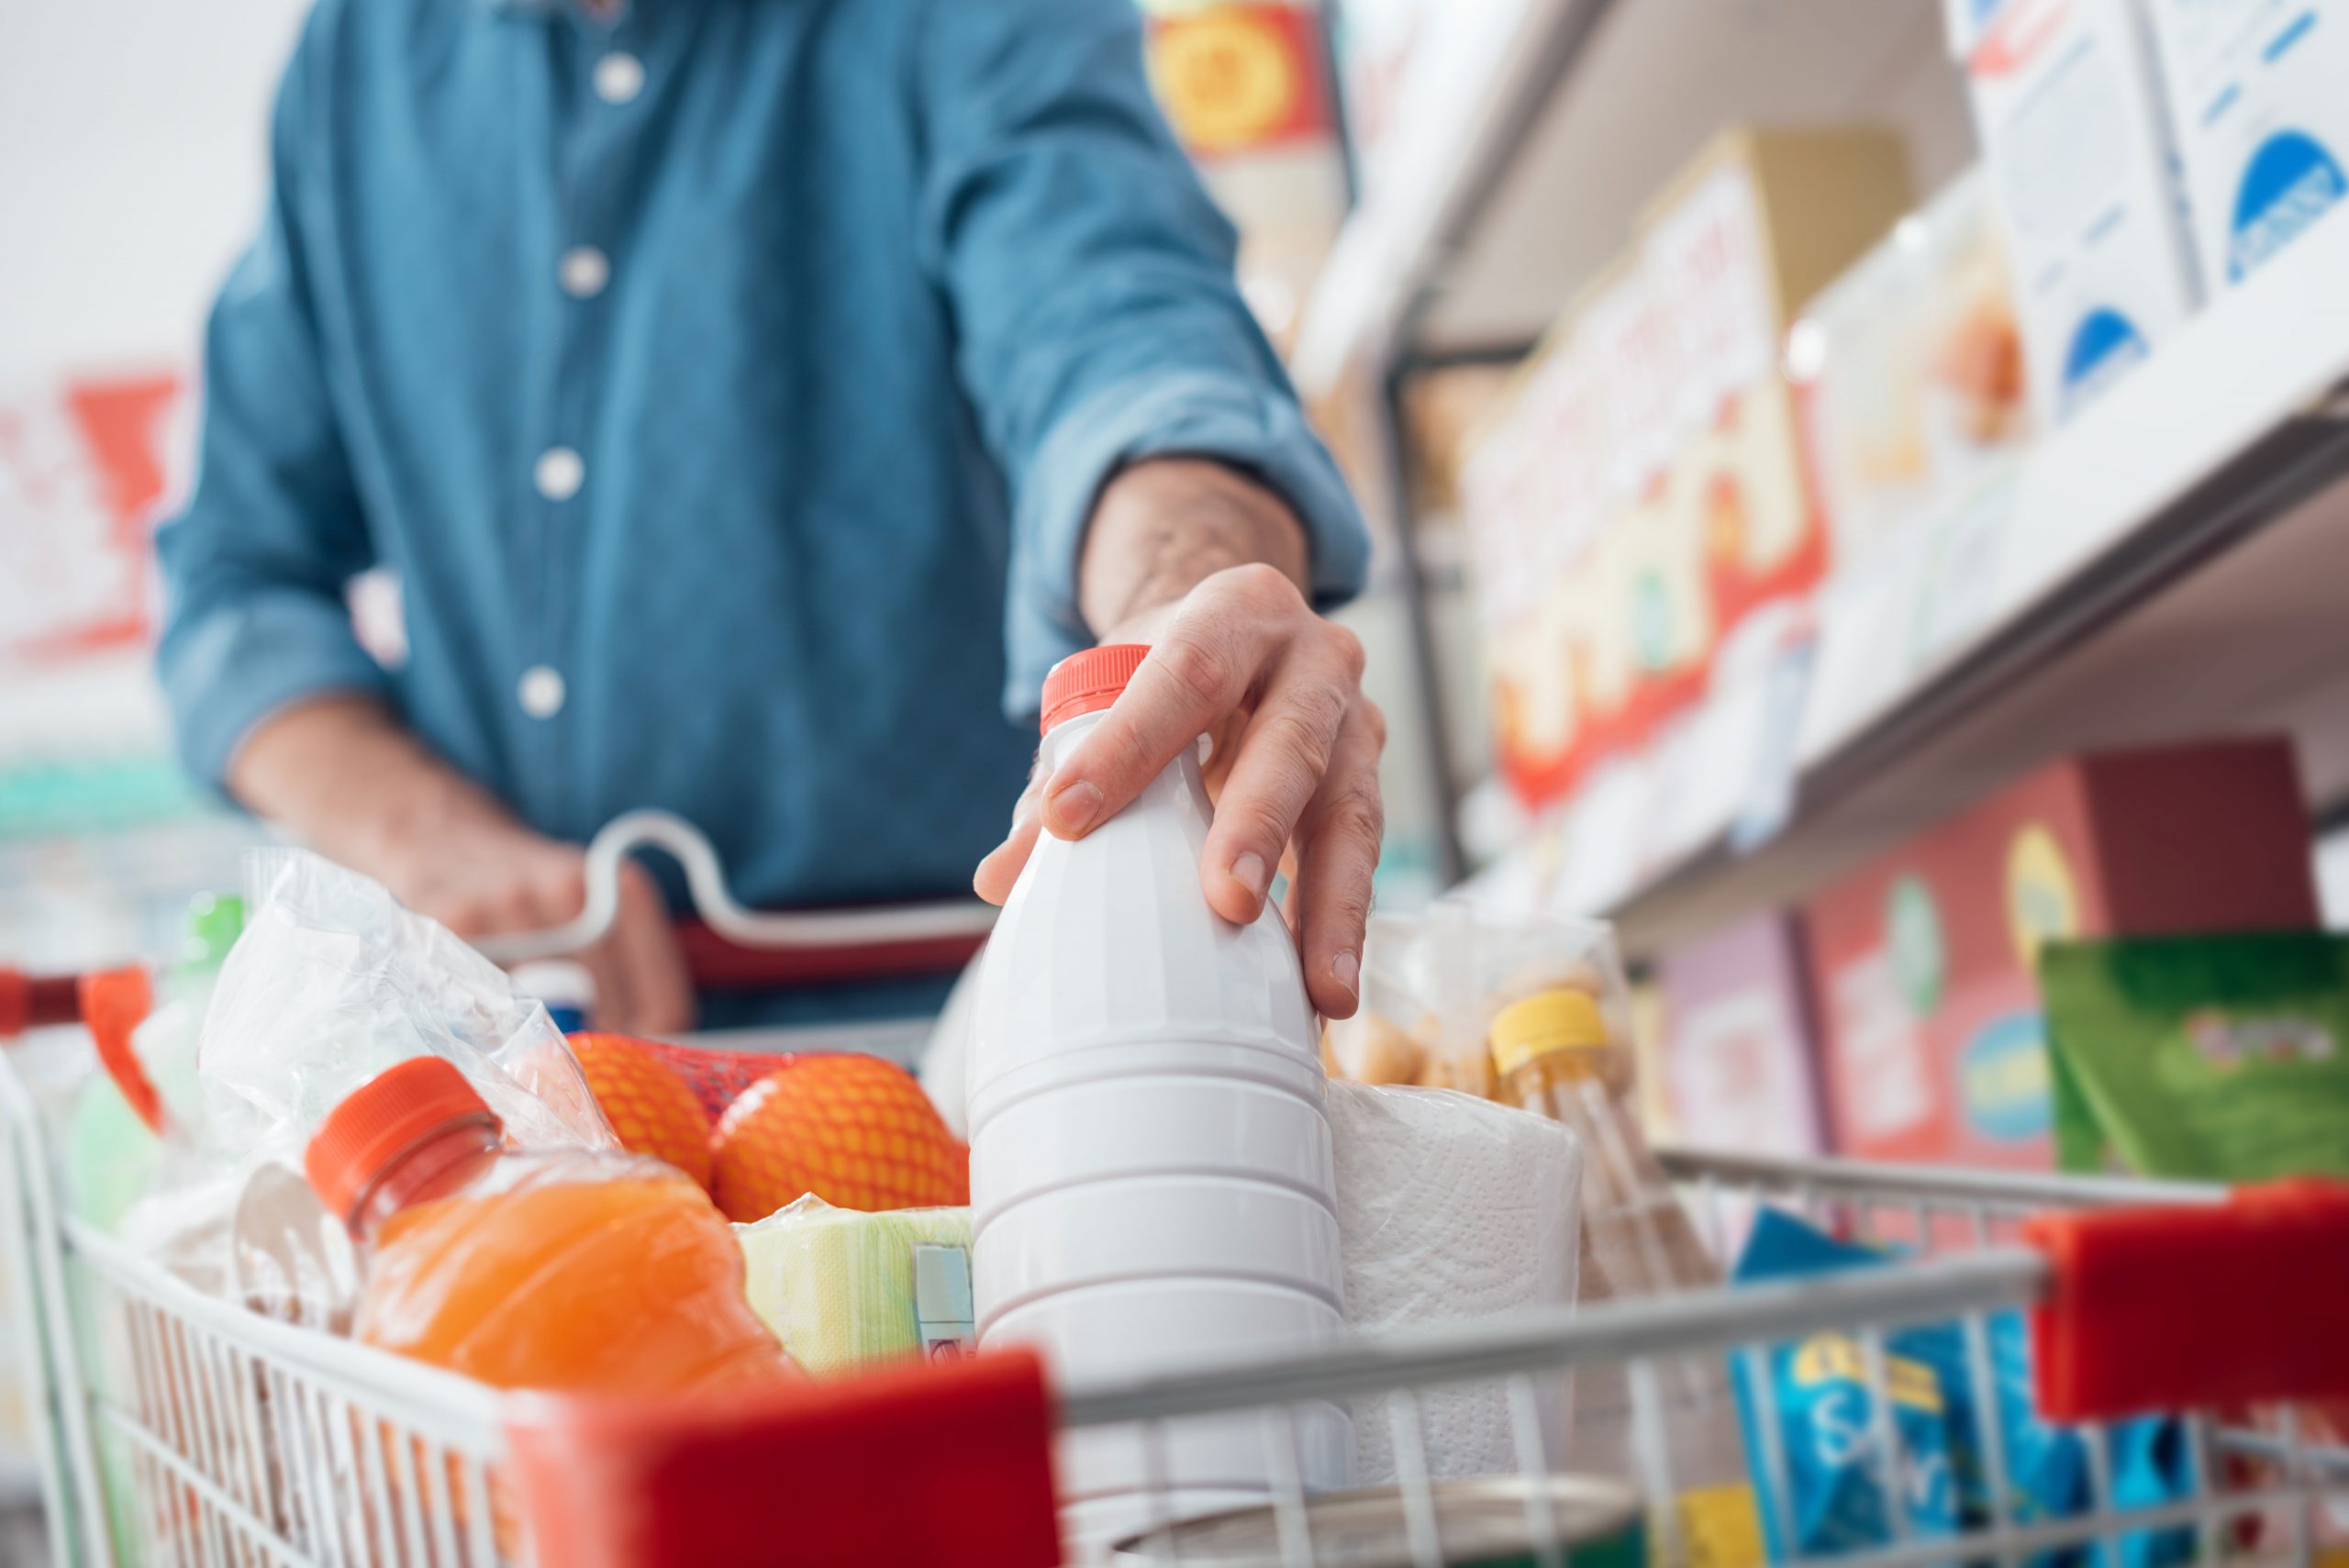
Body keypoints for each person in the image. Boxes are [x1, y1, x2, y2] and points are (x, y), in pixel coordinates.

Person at [155, 0, 1384, 1033]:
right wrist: (424, 834)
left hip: (969, 1048)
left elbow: (1118, 333)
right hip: (532, 1091)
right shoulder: (354, 65)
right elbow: (232, 583)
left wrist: (1184, 602)